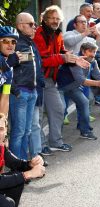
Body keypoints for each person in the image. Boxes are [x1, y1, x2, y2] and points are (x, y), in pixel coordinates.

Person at [33, 5, 90, 155]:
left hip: (50, 79)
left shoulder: (57, 34)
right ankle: (40, 146)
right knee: (37, 116)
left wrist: (75, 59)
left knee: (58, 109)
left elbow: (61, 52)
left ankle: (55, 142)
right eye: (52, 18)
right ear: (44, 19)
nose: (55, 21)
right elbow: (43, 59)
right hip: (37, 80)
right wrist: (64, 58)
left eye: (57, 19)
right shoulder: (39, 34)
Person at [57, 42, 100, 140]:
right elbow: (82, 80)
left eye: (94, 52)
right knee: (60, 110)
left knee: (84, 102)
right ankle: (56, 138)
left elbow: (99, 76)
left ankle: (84, 130)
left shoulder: (93, 61)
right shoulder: (75, 61)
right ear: (82, 51)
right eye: (90, 51)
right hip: (59, 88)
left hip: (72, 87)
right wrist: (98, 83)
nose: (93, 54)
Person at [0, 113, 45, 207]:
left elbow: (17, 164)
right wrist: (28, 174)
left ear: (5, 132)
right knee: (7, 205)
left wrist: (31, 164)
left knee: (17, 178)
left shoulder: (2, 147)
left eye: (1, 129)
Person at [9, 13, 45, 161]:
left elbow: (37, 65)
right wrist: (16, 91)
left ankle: (23, 162)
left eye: (34, 23)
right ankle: (16, 166)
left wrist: (40, 83)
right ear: (20, 26)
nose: (34, 27)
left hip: (31, 91)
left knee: (26, 130)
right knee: (18, 131)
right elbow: (6, 64)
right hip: (20, 92)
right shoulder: (14, 42)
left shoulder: (30, 43)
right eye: (31, 24)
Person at [0, 27, 21, 116]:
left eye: (13, 42)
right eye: (5, 41)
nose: (10, 45)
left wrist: (3, 119)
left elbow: (5, 95)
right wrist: (7, 65)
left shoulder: (9, 66)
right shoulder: (8, 64)